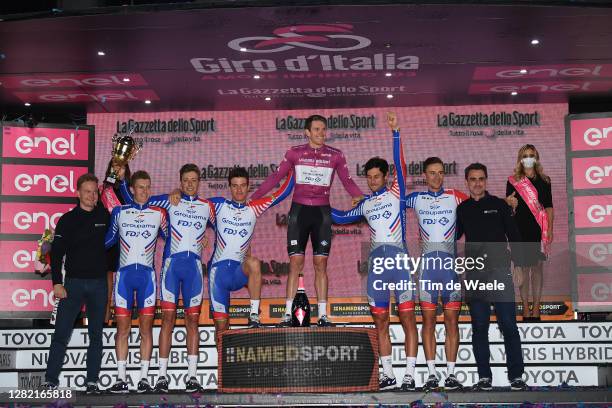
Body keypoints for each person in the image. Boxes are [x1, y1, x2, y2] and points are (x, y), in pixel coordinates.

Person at [331, 113, 418, 391]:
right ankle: (389, 373)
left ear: (385, 177)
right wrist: (315, 203)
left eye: (376, 177)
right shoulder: (365, 204)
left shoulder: (396, 191)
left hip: (400, 262)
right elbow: (341, 217)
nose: (371, 181)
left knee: (406, 318)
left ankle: (410, 374)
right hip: (377, 266)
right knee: (380, 319)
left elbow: (401, 165)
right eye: (368, 178)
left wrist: (396, 133)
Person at [251, 114, 364, 327]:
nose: (321, 133)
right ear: (307, 132)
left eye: (323, 129)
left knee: (321, 263)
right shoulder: (294, 153)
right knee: (295, 263)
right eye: (317, 129)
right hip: (299, 212)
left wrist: (360, 197)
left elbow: (347, 181)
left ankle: (323, 315)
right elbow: (276, 178)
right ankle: (287, 314)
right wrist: (254, 197)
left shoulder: (335, 155)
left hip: (322, 213)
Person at [119, 163, 214, 393]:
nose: (190, 184)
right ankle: (162, 376)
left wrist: (209, 241)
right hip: (171, 268)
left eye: (194, 180)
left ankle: (192, 376)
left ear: (199, 182)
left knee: (193, 322)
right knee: (168, 322)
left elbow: (225, 226)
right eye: (186, 181)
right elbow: (136, 200)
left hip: (193, 270)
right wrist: (123, 180)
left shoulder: (207, 207)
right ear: (180, 182)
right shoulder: (168, 201)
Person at [201, 167, 294, 341]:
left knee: (254, 263)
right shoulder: (219, 204)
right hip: (218, 275)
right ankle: (223, 367)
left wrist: (295, 166)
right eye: (235, 186)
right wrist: (199, 235)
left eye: (243, 185)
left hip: (238, 271)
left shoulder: (254, 208)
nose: (239, 190)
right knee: (221, 328)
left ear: (248, 187)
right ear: (229, 187)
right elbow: (192, 207)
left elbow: (284, 192)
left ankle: (253, 315)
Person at [457, 163, 527, 391]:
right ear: (467, 182)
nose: (477, 183)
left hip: (500, 272)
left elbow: (514, 236)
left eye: (481, 179)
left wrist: (519, 265)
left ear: (486, 181)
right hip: (475, 274)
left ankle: (516, 376)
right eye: (473, 179)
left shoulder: (499, 205)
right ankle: (484, 377)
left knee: (508, 324)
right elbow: (452, 235)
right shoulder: (463, 209)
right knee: (479, 327)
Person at [43, 173, 110, 394]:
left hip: (99, 285)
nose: (92, 195)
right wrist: (56, 284)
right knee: (61, 333)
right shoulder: (67, 220)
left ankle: (92, 382)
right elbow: (57, 254)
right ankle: (50, 380)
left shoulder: (105, 215)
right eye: (87, 191)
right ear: (78, 193)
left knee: (95, 336)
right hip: (72, 285)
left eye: (95, 191)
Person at [405, 158, 468, 391]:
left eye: (440, 173)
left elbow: (480, 202)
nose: (437, 177)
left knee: (452, 321)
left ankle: (451, 374)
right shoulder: (416, 198)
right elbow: (390, 201)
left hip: (450, 271)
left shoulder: (455, 195)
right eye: (432, 173)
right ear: (424, 174)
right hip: (427, 272)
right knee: (429, 322)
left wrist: (505, 202)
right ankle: (432, 373)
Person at [104, 170, 168, 393]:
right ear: (132, 189)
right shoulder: (119, 212)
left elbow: (173, 236)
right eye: (140, 187)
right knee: (122, 329)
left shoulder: (159, 213)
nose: (145, 191)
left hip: (147, 278)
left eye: (148, 187)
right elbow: (108, 241)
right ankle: (120, 378)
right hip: (124, 277)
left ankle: (144, 378)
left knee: (145, 329)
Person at [505, 144, 553, 321]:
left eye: (531, 155)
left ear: (536, 157)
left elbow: (549, 207)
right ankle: (525, 307)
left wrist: (551, 230)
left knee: (537, 268)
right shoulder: (513, 181)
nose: (528, 158)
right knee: (523, 269)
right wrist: (509, 203)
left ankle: (537, 307)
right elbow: (508, 206)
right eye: (525, 155)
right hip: (519, 230)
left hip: (539, 229)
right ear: (520, 158)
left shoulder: (545, 180)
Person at [102, 159, 132, 325]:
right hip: (108, 240)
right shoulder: (103, 190)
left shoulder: (128, 190)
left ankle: (123, 323)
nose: (118, 169)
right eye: (115, 165)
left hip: (126, 242)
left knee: (123, 288)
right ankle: (104, 323)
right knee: (106, 289)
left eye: (121, 166)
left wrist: (123, 185)